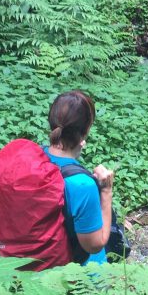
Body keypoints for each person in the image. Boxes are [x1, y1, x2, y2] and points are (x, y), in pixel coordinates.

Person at [44, 90, 114, 266]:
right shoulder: (82, 185)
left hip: (37, 265)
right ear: (86, 129)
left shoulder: (35, 158)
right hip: (80, 279)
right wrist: (106, 191)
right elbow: (94, 245)